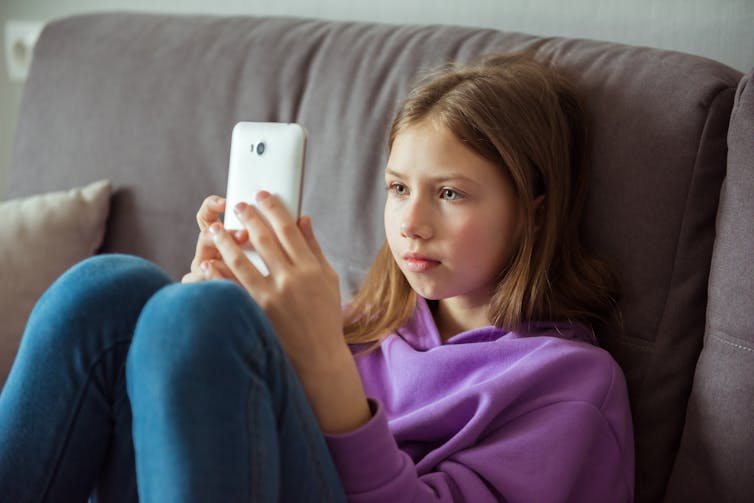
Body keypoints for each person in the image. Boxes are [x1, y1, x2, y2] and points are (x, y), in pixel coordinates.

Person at [0, 53, 634, 502]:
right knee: (109, 289)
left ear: (532, 210)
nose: (410, 222)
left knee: (193, 320)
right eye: (397, 188)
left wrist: (319, 359)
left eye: (449, 193)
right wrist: (189, 344)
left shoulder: (569, 383)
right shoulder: (361, 328)